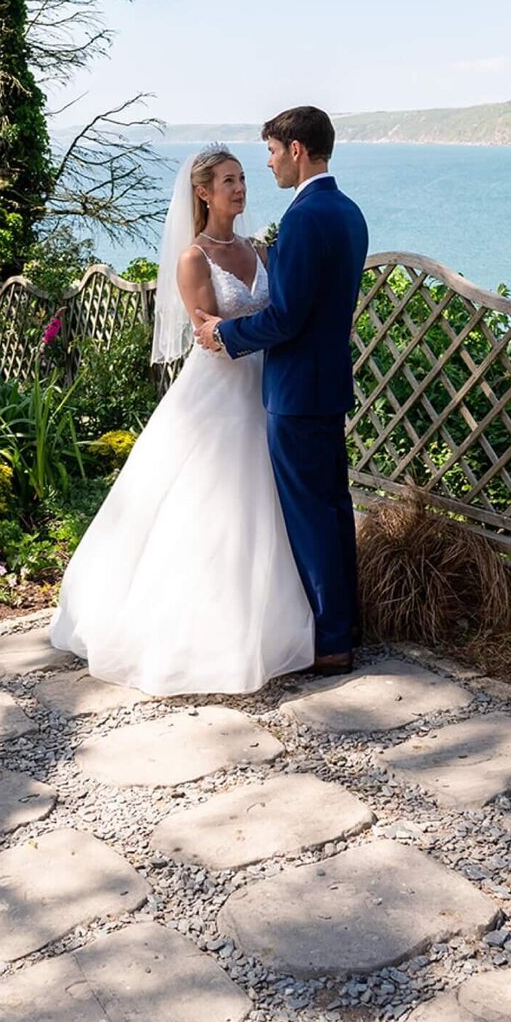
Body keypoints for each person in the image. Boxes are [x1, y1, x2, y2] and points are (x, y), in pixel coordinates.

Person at [48, 143, 316, 695]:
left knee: (266, 502)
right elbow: (207, 335)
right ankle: (204, 632)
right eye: (227, 181)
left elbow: (276, 316)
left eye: (242, 178)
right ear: (202, 192)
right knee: (212, 501)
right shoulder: (194, 258)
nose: (240, 188)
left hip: (266, 386)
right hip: (218, 393)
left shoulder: (259, 249)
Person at [194, 106, 369, 674]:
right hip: (329, 383)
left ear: (297, 149)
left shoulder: (303, 218)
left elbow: (287, 318)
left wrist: (226, 333)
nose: (266, 165)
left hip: (295, 390)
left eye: (271, 152)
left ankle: (332, 642)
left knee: (309, 514)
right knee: (334, 507)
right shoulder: (349, 212)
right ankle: (349, 625)